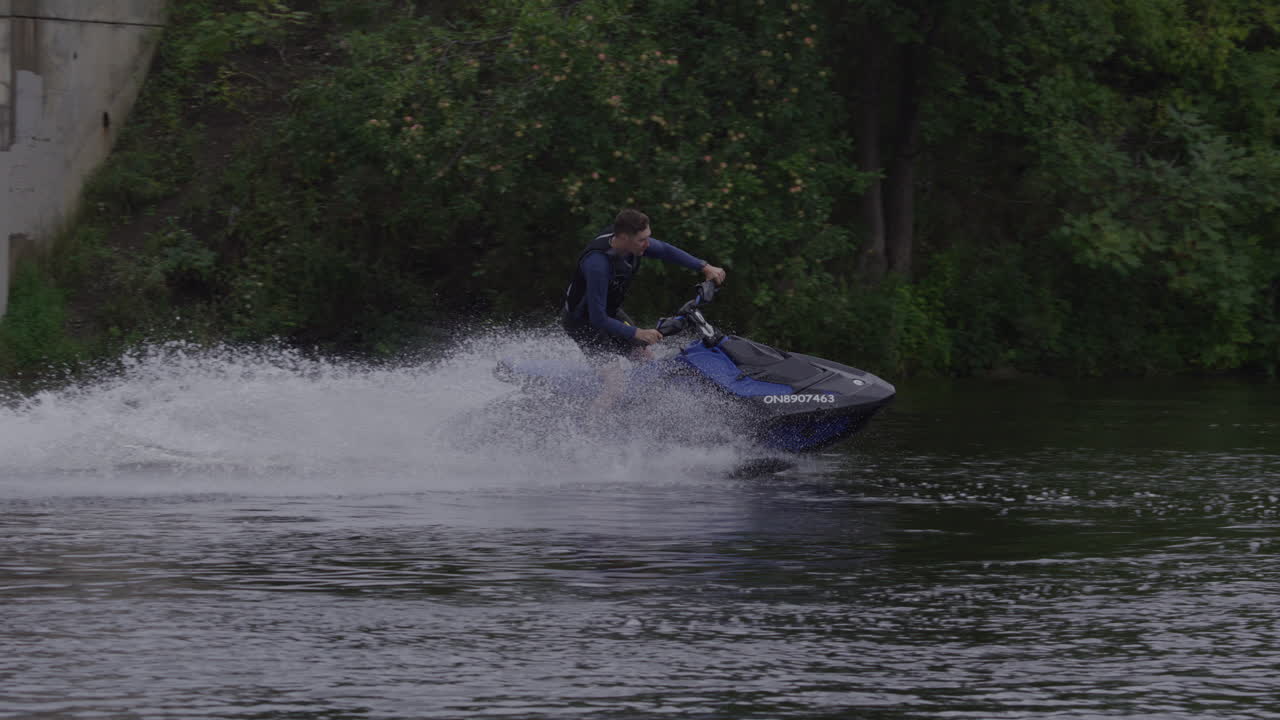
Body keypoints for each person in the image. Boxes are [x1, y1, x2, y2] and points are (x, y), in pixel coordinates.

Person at [561, 209, 727, 369]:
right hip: (582, 322)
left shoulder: (631, 244)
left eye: (648, 237)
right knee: (614, 384)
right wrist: (636, 332)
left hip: (609, 313)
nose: (647, 244)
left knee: (646, 361)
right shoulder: (597, 264)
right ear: (625, 238)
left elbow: (665, 250)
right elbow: (597, 318)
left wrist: (704, 267)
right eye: (642, 240)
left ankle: (641, 398)